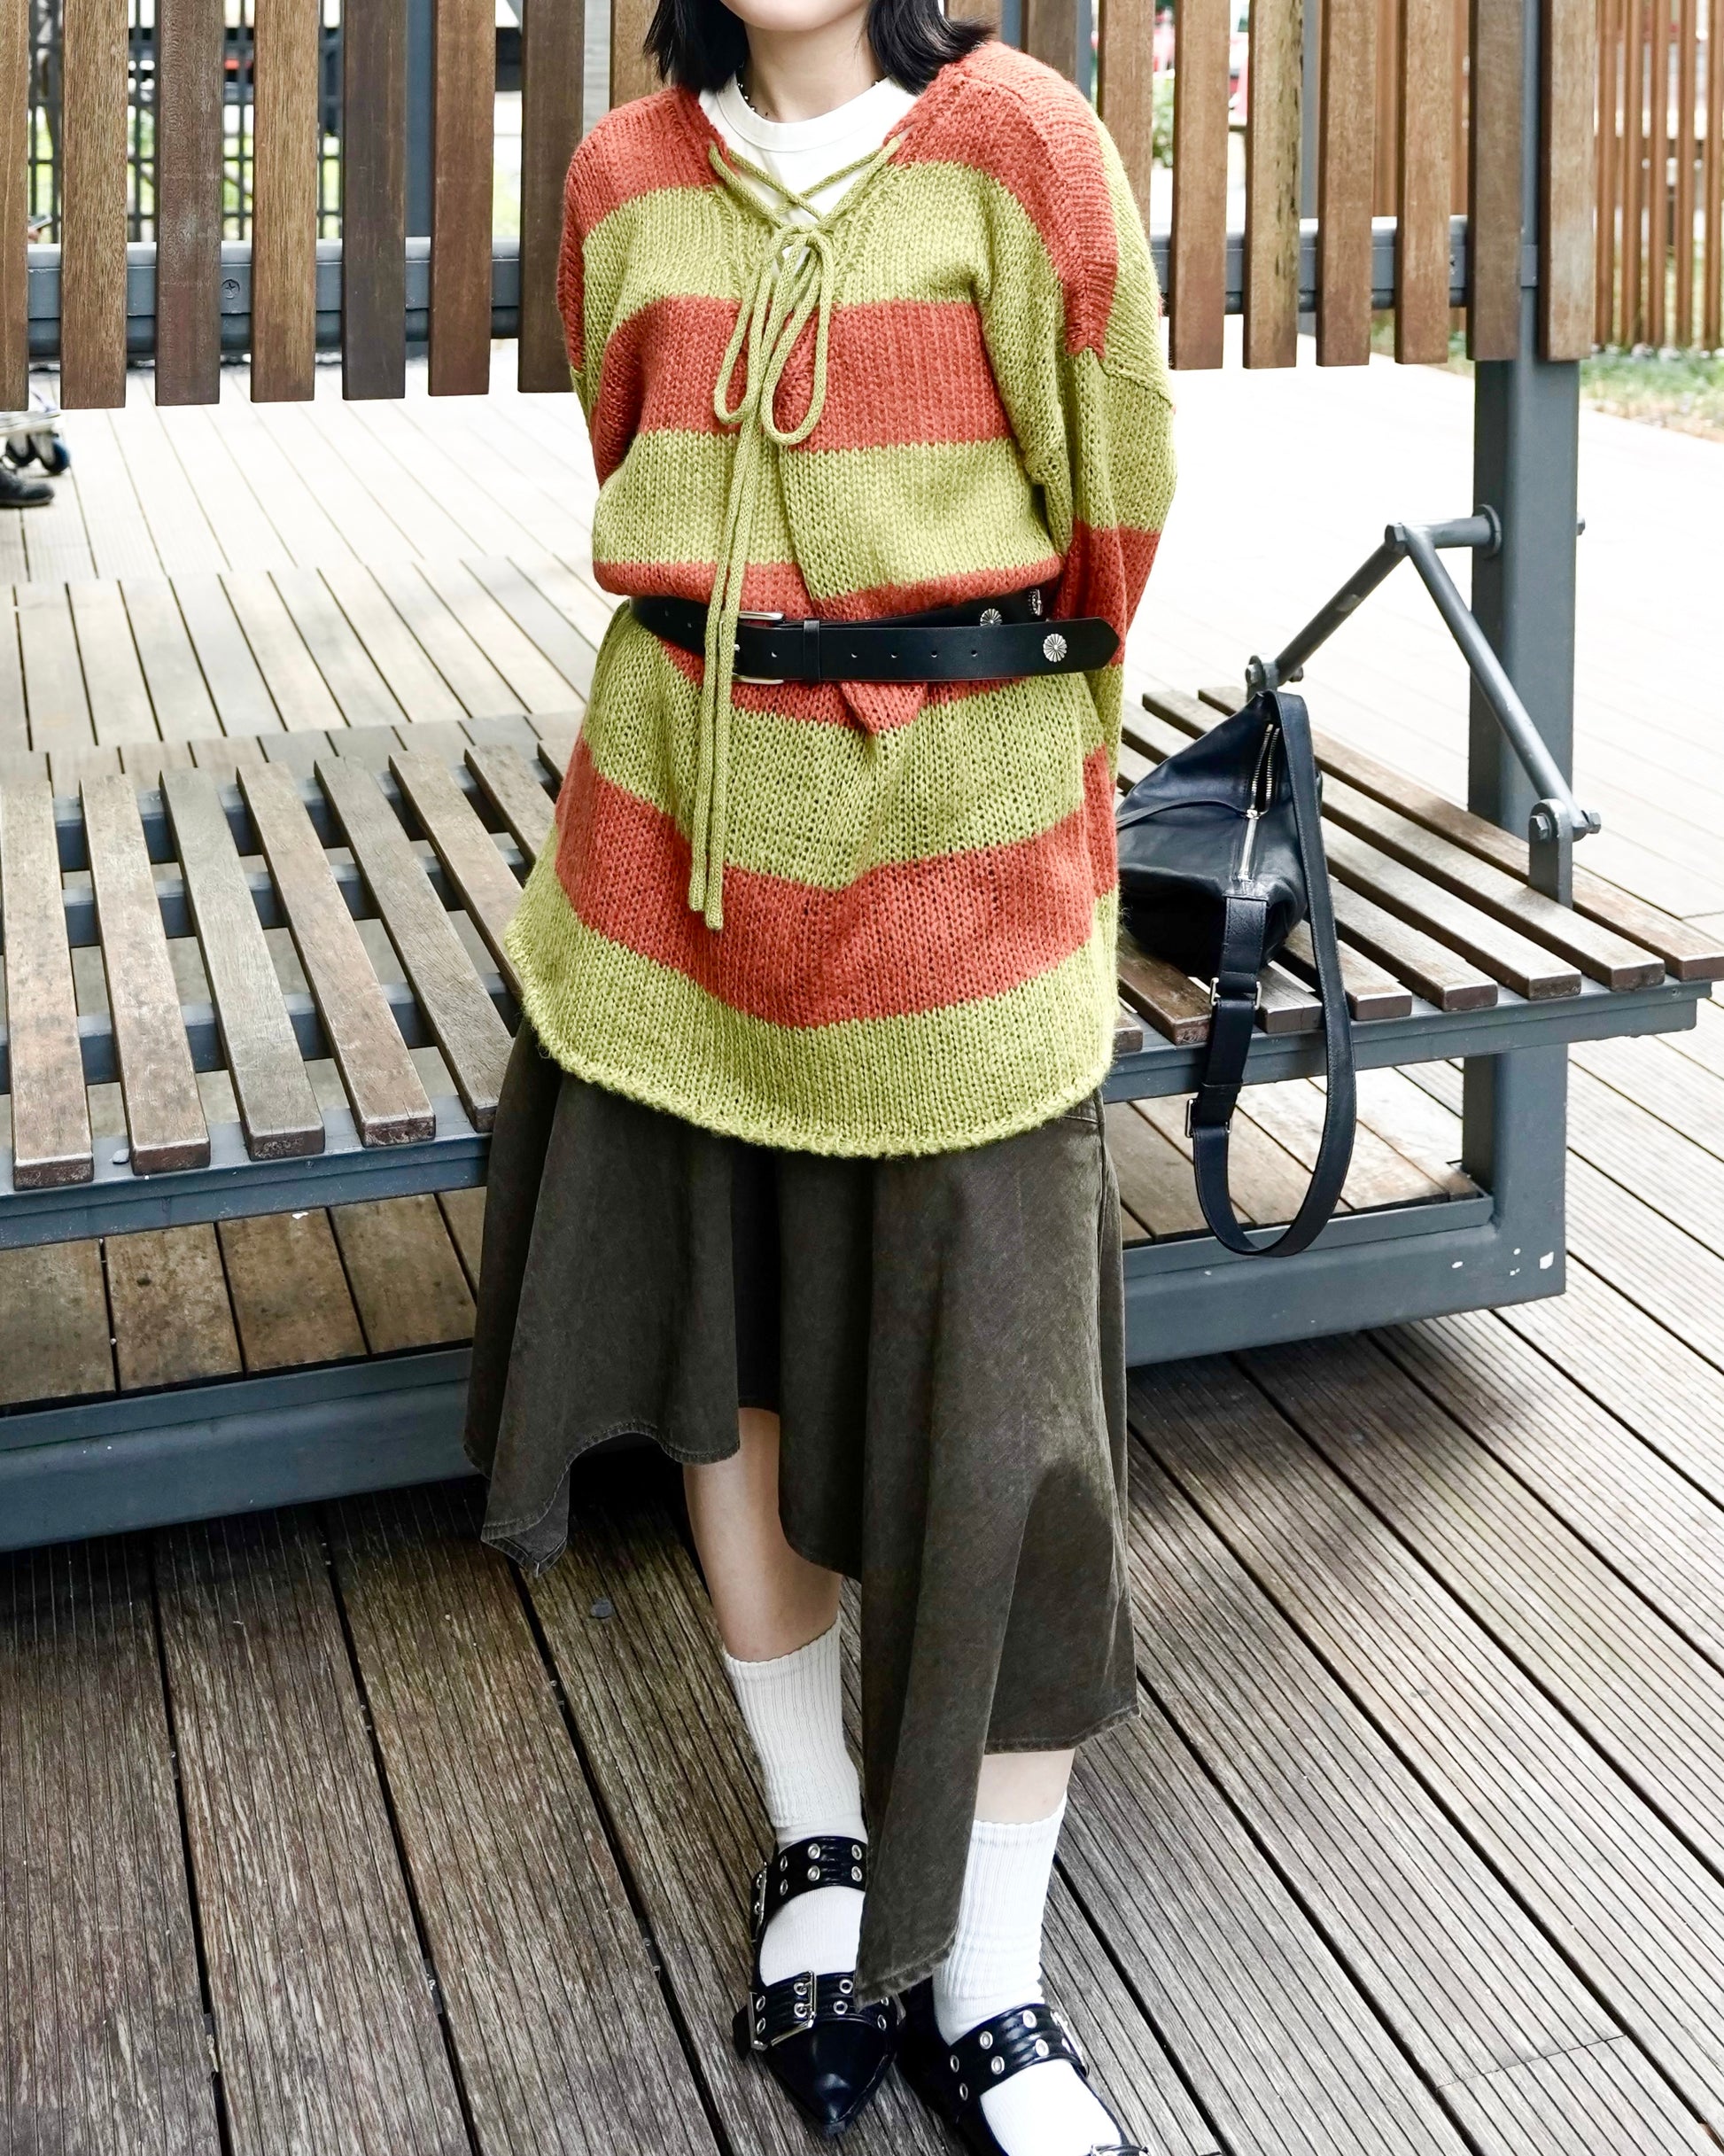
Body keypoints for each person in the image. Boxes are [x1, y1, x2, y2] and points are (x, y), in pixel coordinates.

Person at [464, 0, 1176, 2147]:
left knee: (1012, 1443)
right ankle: (821, 1843)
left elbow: (1111, 514)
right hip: (673, 881)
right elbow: (635, 461)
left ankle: (991, 1964)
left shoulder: (1020, 143)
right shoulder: (618, 174)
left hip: (964, 882)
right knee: (733, 1367)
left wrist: (954, 729)